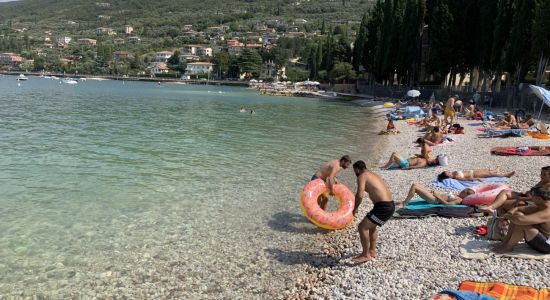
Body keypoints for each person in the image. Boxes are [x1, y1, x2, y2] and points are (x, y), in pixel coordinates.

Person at [351, 160, 394, 264]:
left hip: (383, 207)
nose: (355, 173)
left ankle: (365, 255)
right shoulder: (372, 174)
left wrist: (355, 208)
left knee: (362, 227)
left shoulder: (362, 176)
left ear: (357, 169)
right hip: (389, 205)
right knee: (371, 226)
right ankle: (372, 251)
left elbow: (360, 194)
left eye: (354, 171)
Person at [492, 186, 550, 254]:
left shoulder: (547, 212)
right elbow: (518, 209)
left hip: (547, 246)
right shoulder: (542, 205)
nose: (531, 199)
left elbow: (521, 220)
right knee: (518, 214)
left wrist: (506, 216)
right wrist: (509, 213)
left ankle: (508, 247)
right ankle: (505, 242)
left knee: (521, 224)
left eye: (533, 197)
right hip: (541, 236)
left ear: (539, 198)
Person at [479, 166, 550, 215]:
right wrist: (526, 193)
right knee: (505, 192)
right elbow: (534, 192)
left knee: (502, 203)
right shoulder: (542, 182)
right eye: (541, 173)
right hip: (528, 197)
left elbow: (538, 200)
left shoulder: (548, 187)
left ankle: (503, 222)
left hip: (532, 203)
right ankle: (491, 207)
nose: (541, 176)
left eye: (544, 174)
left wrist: (520, 198)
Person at [396, 183, 475, 208]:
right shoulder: (458, 195)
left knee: (415, 187)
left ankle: (405, 203)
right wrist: (436, 193)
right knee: (415, 184)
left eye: (463, 191)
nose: (462, 191)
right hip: (435, 196)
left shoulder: (459, 200)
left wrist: (438, 196)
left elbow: (447, 204)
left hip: (435, 200)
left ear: (466, 195)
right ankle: (405, 202)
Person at [437, 169, 515, 182]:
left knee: (488, 171)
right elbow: (466, 179)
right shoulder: (457, 177)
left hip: (473, 171)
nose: (450, 172)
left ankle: (496, 171)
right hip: (474, 174)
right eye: (448, 173)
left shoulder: (454, 173)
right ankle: (506, 175)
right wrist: (476, 179)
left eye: (448, 171)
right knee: (490, 174)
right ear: (449, 177)